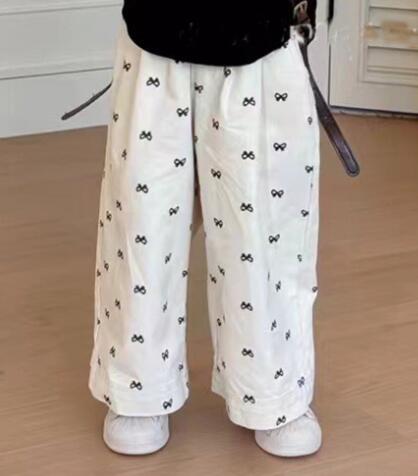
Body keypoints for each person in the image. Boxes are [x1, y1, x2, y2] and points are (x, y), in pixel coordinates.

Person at [88, 2, 322, 458]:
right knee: (143, 218)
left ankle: (273, 390)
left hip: (263, 40)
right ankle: (139, 387)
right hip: (155, 40)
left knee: (262, 227)